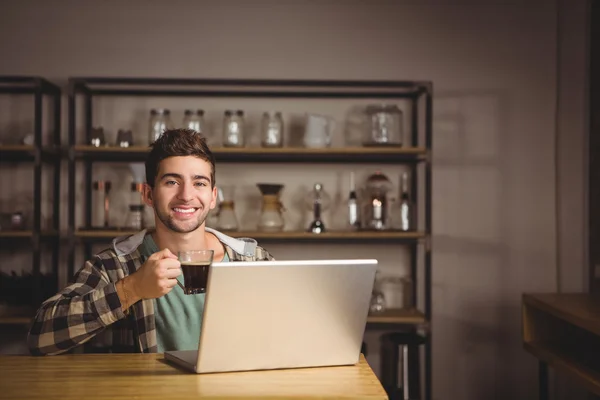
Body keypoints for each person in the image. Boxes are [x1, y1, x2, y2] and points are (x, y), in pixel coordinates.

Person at [27, 129, 274, 355]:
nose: (186, 195)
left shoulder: (253, 259)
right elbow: (40, 338)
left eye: (199, 183)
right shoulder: (115, 265)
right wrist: (131, 289)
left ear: (212, 197)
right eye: (171, 182)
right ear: (148, 194)